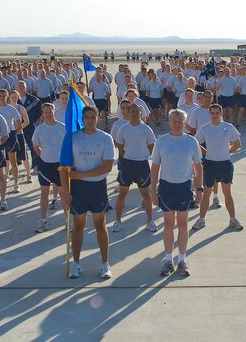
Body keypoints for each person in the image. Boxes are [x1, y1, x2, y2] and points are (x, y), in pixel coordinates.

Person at [60, 106, 114, 279]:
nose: (90, 120)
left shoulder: (105, 138)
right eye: (87, 117)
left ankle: (105, 264)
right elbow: (63, 167)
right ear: (82, 119)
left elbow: (107, 166)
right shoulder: (72, 138)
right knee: (78, 227)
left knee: (100, 226)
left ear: (98, 118)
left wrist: (82, 174)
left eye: (93, 117)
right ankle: (76, 263)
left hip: (97, 187)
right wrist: (65, 192)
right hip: (78, 189)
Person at [150, 109, 203, 277]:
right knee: (167, 224)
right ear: (169, 122)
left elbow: (198, 167)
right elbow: (155, 167)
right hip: (166, 187)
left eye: (180, 120)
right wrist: (153, 189)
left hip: (184, 188)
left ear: (185, 123)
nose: (177, 123)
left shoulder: (191, 141)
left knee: (183, 225)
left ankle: (182, 260)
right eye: (174, 120)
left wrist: (199, 189)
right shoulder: (162, 141)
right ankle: (168, 260)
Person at [192, 104, 243, 231]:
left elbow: (238, 143)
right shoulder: (205, 128)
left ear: (221, 114)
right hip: (210, 165)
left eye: (217, 113)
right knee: (207, 193)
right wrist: (206, 153)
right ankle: (201, 219)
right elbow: (195, 143)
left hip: (225, 164)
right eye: (212, 113)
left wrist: (228, 152)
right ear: (209, 114)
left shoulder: (228, 127)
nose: (214, 115)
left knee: (227, 193)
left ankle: (232, 219)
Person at [114, 103, 157, 232]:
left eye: (137, 112)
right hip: (127, 164)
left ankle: (150, 221)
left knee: (146, 195)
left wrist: (142, 157)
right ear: (127, 112)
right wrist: (127, 157)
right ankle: (117, 221)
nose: (134, 114)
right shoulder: (123, 129)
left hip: (142, 165)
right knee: (122, 193)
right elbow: (120, 147)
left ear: (141, 113)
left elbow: (151, 146)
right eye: (131, 111)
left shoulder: (146, 129)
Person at [32, 103, 66, 233]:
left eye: (50, 111)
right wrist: (43, 156)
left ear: (54, 112)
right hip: (45, 165)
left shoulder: (62, 128)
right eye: (46, 112)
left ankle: (68, 220)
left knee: (63, 193)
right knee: (44, 194)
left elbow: (68, 145)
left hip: (60, 166)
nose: (48, 114)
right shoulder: (40, 129)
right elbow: (36, 146)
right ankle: (43, 221)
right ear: (43, 114)